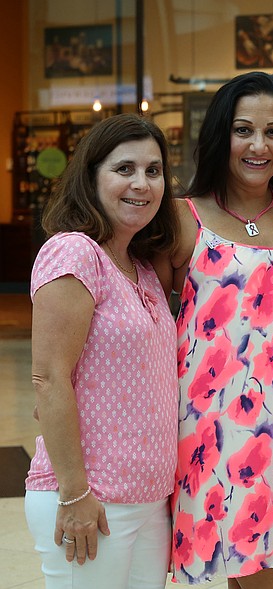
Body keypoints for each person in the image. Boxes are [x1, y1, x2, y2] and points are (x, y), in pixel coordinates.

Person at [161, 72, 273, 587]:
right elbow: (150, 323)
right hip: (219, 432)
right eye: (243, 130)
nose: (259, 145)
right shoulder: (184, 218)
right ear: (219, 136)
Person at [25, 113, 179, 589]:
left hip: (148, 500)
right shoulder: (74, 252)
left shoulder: (141, 268)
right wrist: (74, 494)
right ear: (91, 177)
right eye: (124, 169)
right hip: (91, 499)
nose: (142, 183)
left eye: (154, 171)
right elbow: (48, 378)